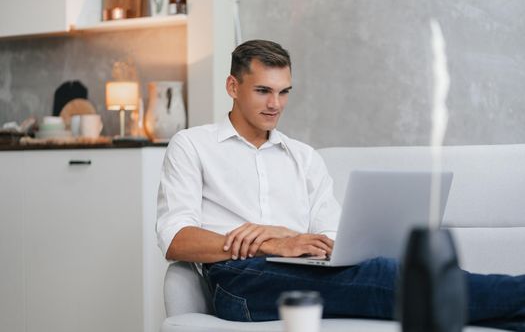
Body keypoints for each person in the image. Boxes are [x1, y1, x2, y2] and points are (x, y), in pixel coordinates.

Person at [156, 39, 525, 330]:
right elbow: (175, 239)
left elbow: (332, 235)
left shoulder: (303, 157)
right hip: (239, 282)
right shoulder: (192, 145)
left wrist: (307, 245)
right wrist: (269, 242)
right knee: (388, 277)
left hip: (304, 269)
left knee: (394, 273)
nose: (275, 104)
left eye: (284, 92)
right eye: (263, 91)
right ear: (233, 86)